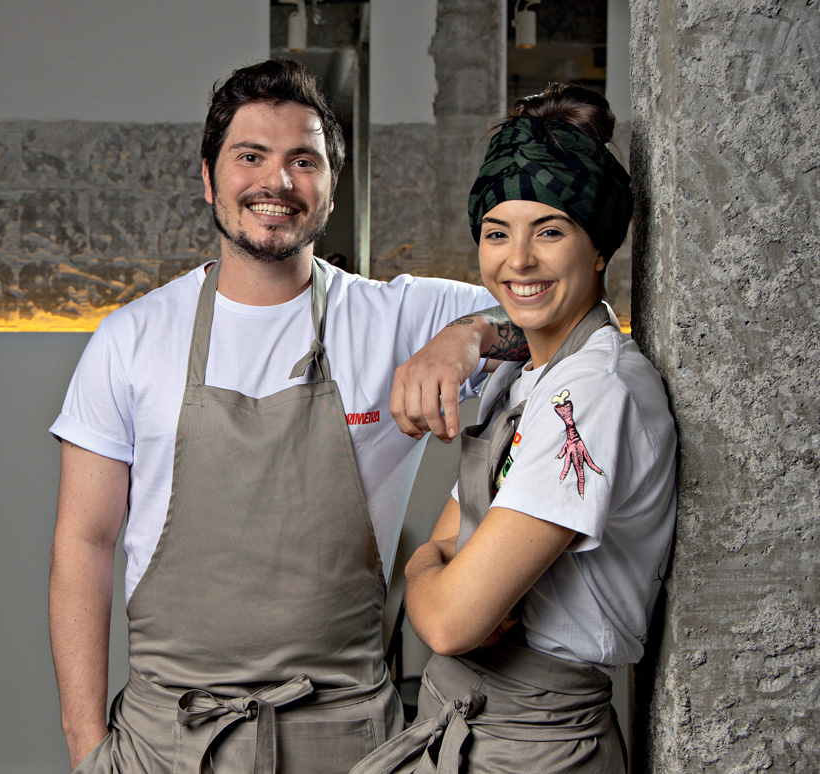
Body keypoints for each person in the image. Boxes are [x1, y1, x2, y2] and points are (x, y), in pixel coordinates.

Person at [47, 58, 526, 774]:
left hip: (351, 741)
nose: (276, 183)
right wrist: (88, 752)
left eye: (304, 160)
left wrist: (473, 335)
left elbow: (572, 320)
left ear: (331, 185)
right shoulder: (132, 338)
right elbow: (83, 546)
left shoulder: (394, 317)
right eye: (251, 157)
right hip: (169, 743)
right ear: (210, 178)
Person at [352, 84, 678, 773]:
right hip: (461, 722)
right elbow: (448, 552)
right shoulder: (530, 374)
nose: (518, 260)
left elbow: (447, 620)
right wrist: (468, 332)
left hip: (536, 746)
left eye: (550, 231)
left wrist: (422, 570)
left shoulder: (592, 394)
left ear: (599, 247)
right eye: (498, 233)